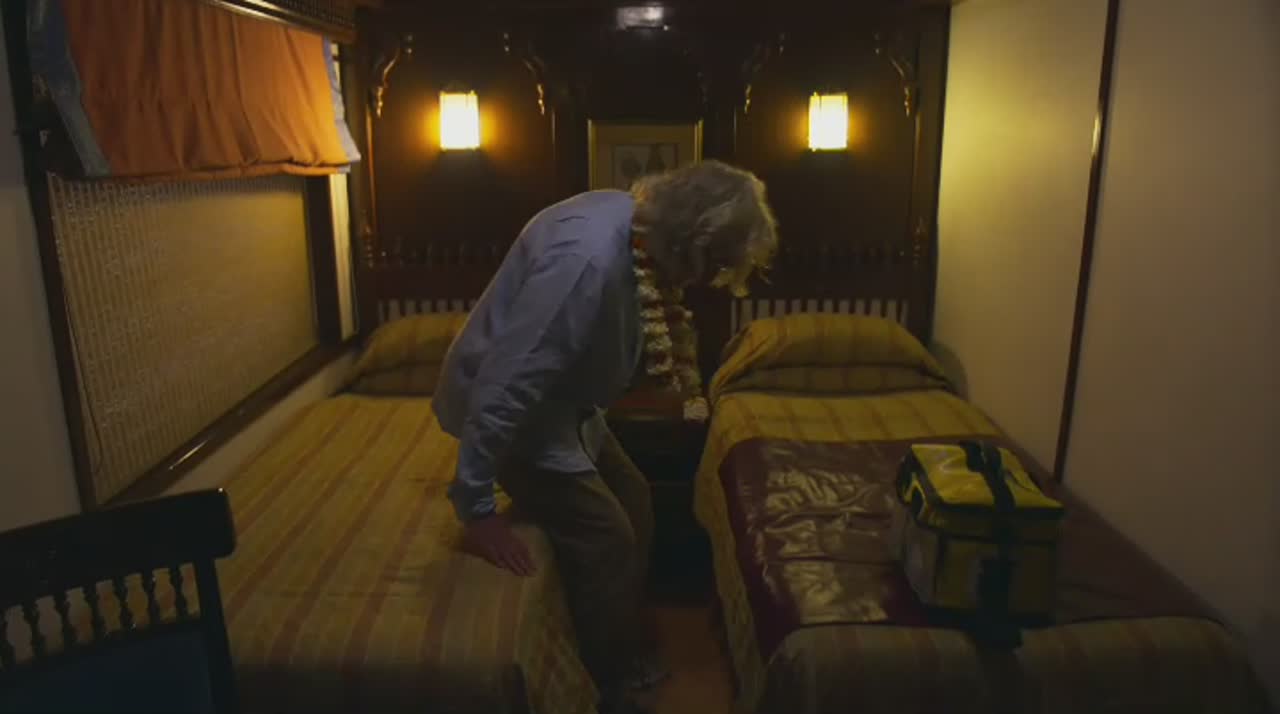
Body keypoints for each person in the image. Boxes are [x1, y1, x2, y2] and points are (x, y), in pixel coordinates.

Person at [431, 160, 778, 714]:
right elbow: (507, 384)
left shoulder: (634, 221)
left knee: (636, 499)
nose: (707, 279)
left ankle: (609, 628)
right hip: (519, 416)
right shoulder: (586, 263)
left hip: (569, 406)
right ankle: (608, 679)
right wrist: (476, 509)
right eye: (712, 262)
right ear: (691, 239)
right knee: (608, 537)